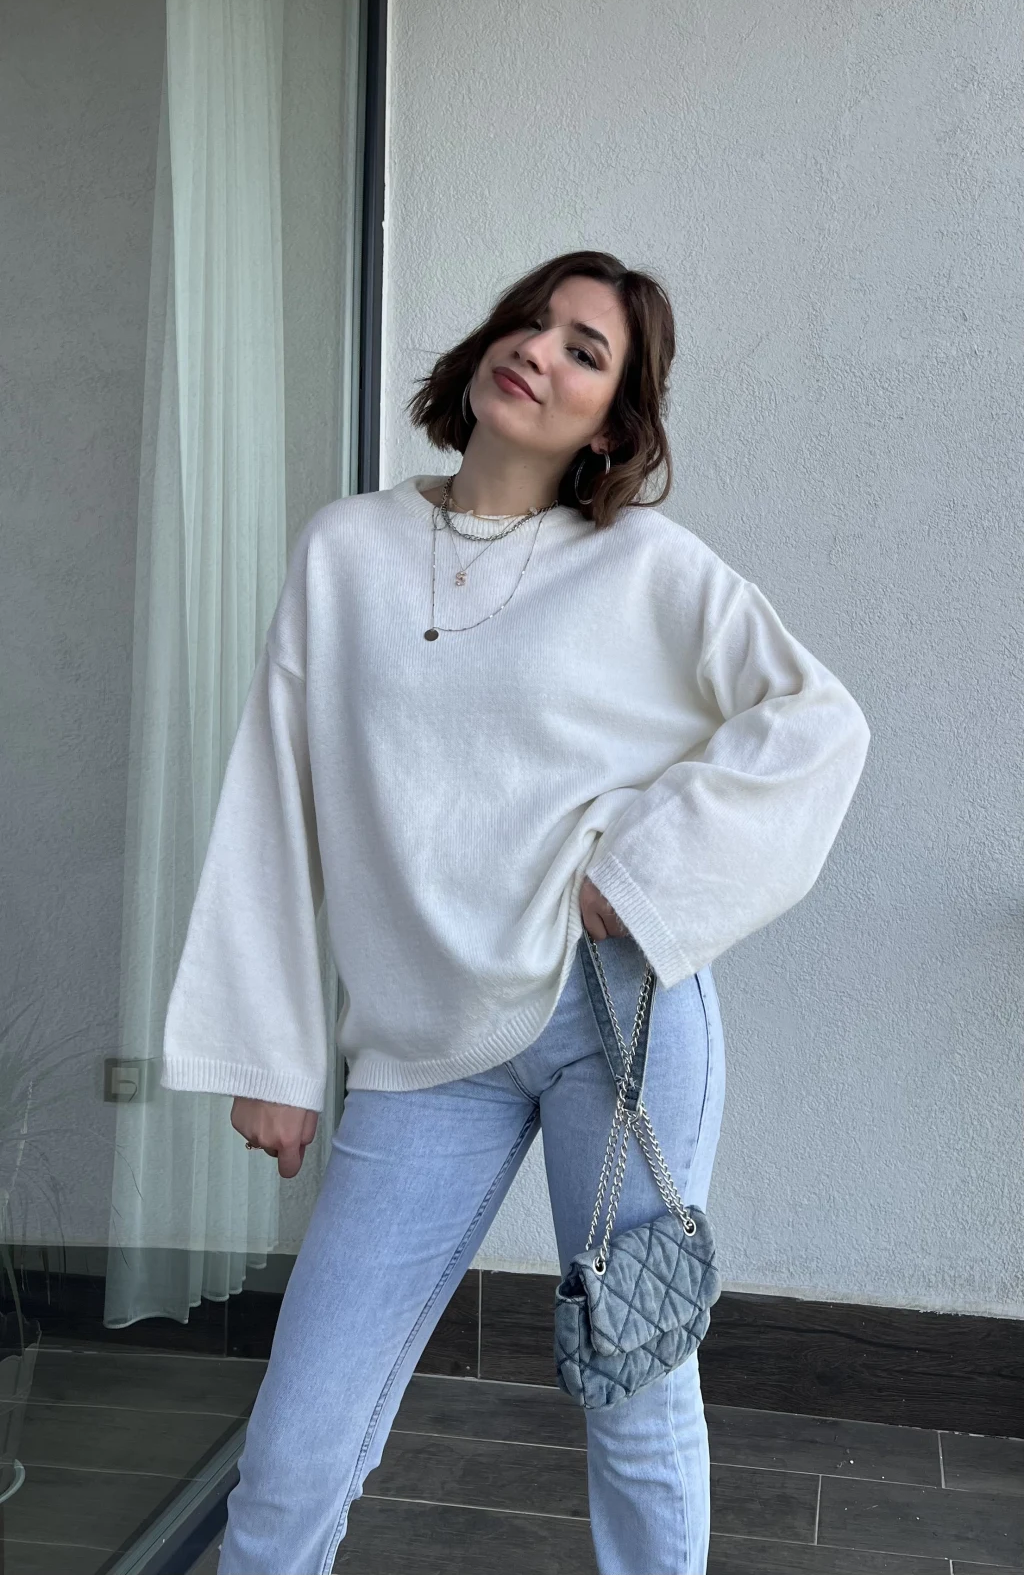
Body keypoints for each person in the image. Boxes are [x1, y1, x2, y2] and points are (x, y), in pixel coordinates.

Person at [161, 248, 871, 1575]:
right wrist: (271, 1052)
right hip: (424, 1046)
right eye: (532, 323)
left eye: (584, 350)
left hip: (617, 1020)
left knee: (634, 1385)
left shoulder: (642, 565)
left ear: (612, 421)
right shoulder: (347, 550)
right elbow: (274, 799)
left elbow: (817, 726)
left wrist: (642, 877)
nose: (539, 350)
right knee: (300, 1434)